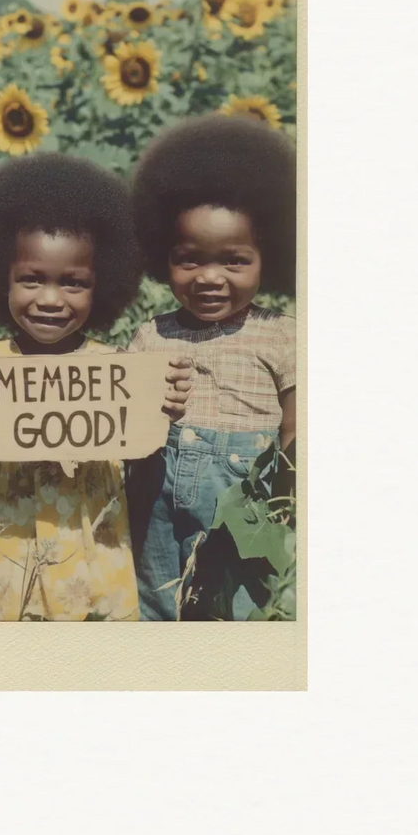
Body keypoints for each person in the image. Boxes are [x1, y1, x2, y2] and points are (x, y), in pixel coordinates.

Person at [0, 154, 190, 621]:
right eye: (31, 279)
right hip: (12, 549)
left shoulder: (117, 367)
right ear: (1, 275)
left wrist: (165, 401)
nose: (49, 300)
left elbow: (141, 440)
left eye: (73, 284)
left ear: (101, 285)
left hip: (94, 550)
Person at [127, 115, 296, 621]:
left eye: (233, 261)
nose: (209, 277)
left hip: (246, 505)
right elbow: (121, 419)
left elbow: (296, 423)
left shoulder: (282, 334)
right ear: (164, 257)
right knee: (155, 600)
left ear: (271, 259)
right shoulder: (150, 335)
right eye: (189, 259)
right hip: (156, 504)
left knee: (239, 608)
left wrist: (288, 497)